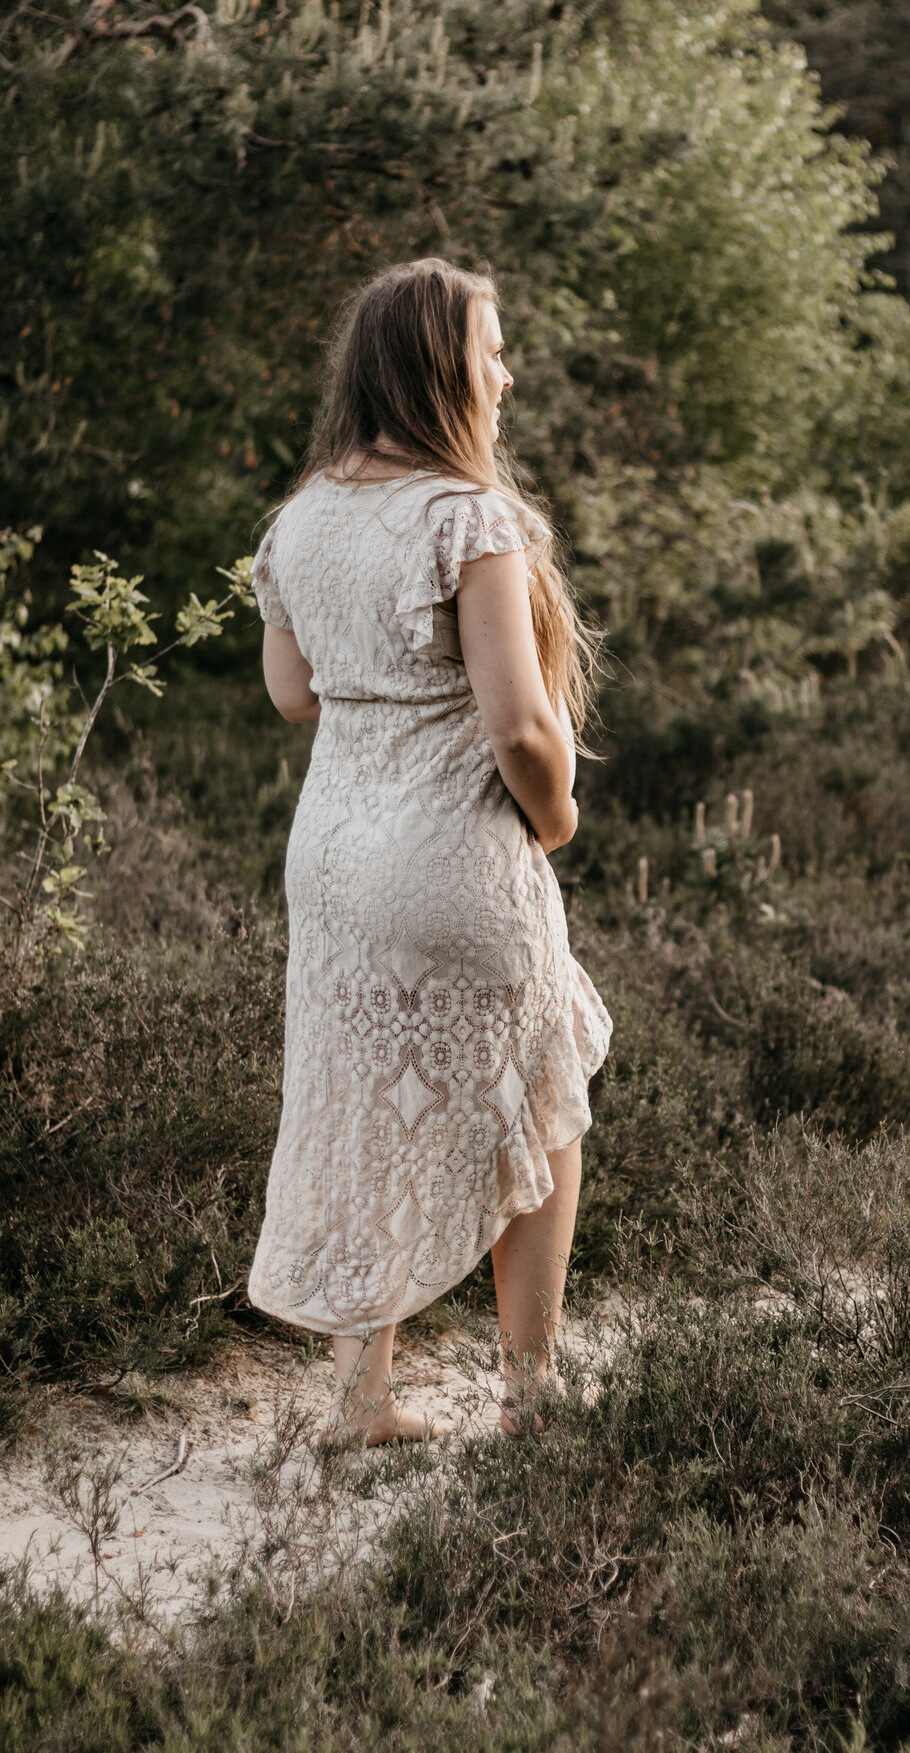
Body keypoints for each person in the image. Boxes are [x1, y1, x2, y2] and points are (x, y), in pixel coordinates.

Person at [245, 258, 612, 1444]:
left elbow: (293, 694)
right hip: (451, 858)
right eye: (490, 351)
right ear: (438, 368)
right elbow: (519, 722)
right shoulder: (472, 519)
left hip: (335, 865)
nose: (505, 375)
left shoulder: (298, 522)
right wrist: (555, 822)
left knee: (363, 1103)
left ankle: (359, 1402)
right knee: (542, 1094)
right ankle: (532, 1394)